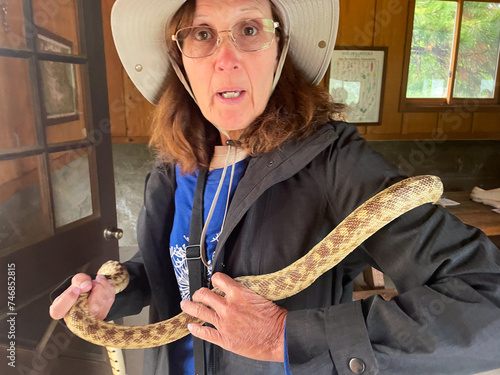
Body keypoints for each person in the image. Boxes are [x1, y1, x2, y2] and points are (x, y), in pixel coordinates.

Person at [49, 0, 500, 374]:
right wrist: (118, 290)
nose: (226, 59)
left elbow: (489, 304)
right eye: (201, 34)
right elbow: (180, 271)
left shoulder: (334, 163)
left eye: (249, 30)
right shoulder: (176, 163)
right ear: (180, 60)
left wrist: (285, 335)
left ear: (280, 50)